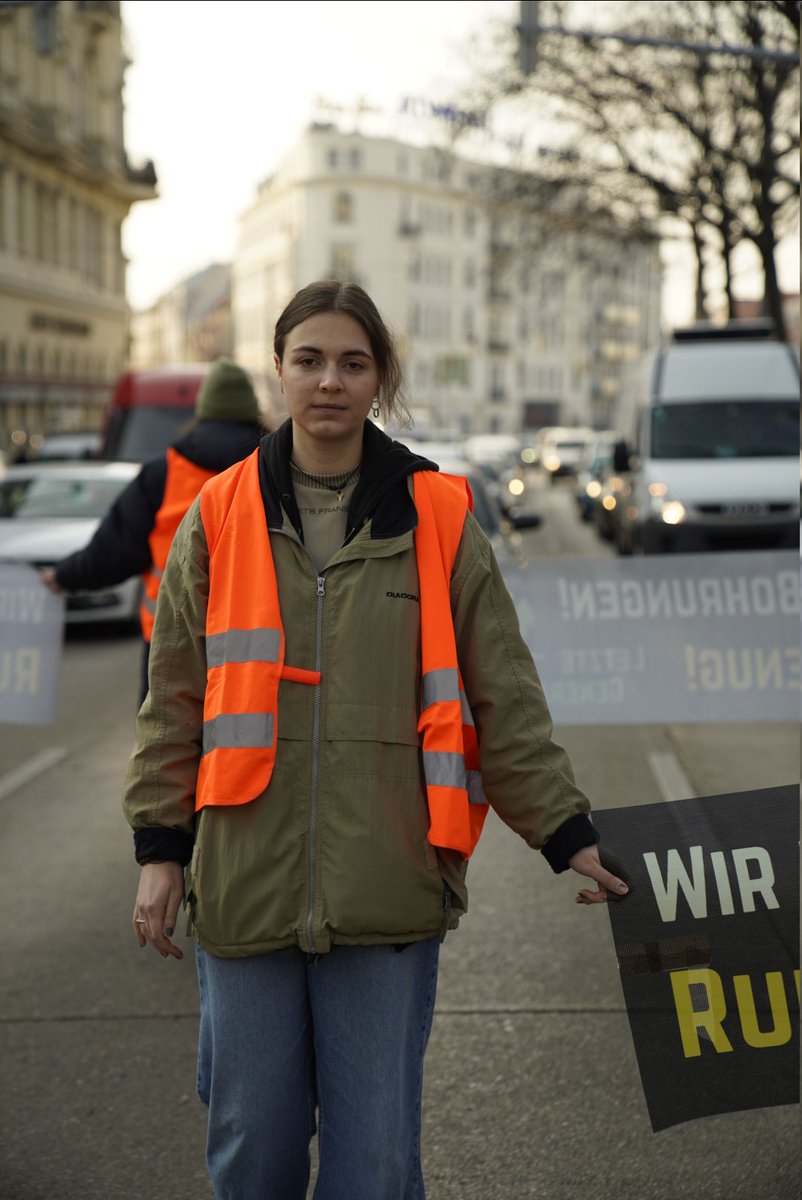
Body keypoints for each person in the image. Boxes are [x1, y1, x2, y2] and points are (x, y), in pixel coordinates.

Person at [123, 280, 628, 1200]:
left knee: (377, 1164)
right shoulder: (220, 515)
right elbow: (173, 703)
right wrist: (161, 849)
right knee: (252, 1152)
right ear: (278, 369)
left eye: (353, 363)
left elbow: (503, 698)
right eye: (309, 360)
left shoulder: (438, 516)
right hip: (243, 888)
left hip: (391, 885)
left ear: (380, 378)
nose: (329, 382)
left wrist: (567, 835)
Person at [41, 358, 264, 704]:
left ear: (203, 410)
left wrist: (64, 576)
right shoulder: (271, 467)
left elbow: (113, 551)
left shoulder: (163, 473)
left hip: (171, 640)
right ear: (252, 410)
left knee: (166, 747)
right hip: (256, 643)